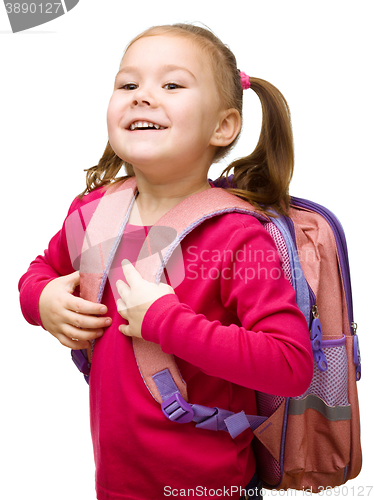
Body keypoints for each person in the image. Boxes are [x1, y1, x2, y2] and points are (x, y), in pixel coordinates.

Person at [18, 23, 314, 500]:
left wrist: (165, 321)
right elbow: (39, 271)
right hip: (115, 484)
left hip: (213, 489)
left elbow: (290, 363)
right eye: (128, 84)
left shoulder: (238, 237)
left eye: (171, 85)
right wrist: (42, 298)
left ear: (223, 126)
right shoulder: (95, 214)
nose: (142, 96)